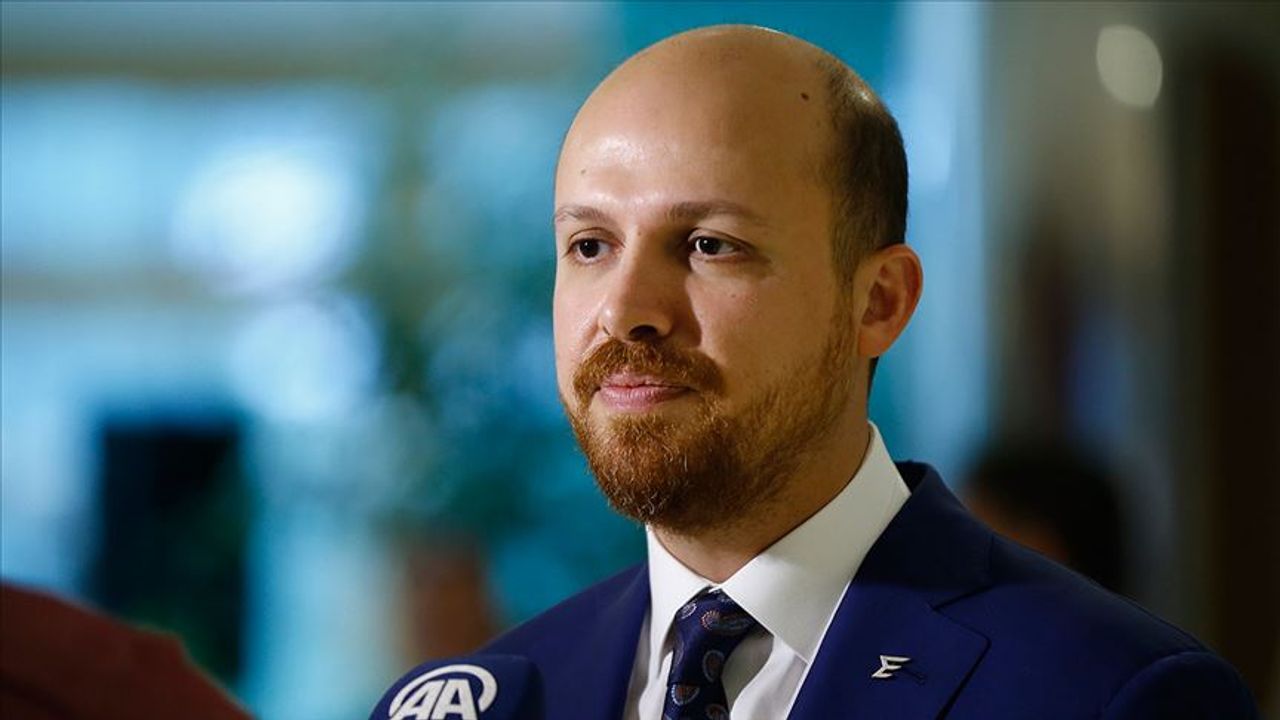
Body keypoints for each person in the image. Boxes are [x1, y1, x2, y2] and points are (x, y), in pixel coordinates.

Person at [380, 24, 1259, 719]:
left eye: (709, 244)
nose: (624, 310)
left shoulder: (1112, 694)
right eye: (589, 245)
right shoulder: (485, 698)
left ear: (878, 301)